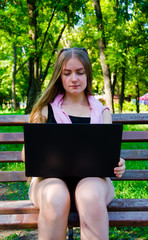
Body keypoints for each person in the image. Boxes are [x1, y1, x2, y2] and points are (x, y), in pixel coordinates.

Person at [22, 47, 125, 240]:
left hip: (94, 182)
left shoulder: (102, 113)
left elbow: (109, 155)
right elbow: (26, 155)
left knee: (90, 195)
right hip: (49, 182)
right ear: (59, 76)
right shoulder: (45, 110)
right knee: (56, 196)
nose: (74, 79)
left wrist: (118, 163)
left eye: (80, 72)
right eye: (67, 73)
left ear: (88, 73)